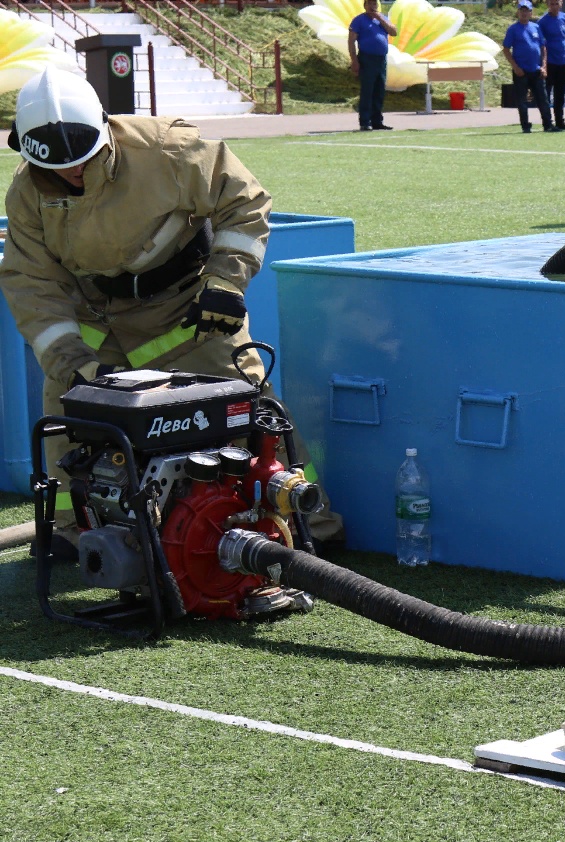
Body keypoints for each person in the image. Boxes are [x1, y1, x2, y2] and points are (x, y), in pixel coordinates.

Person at [0, 70, 341, 554]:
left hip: (188, 308)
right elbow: (30, 282)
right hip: (97, 318)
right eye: (59, 168)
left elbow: (245, 203)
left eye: (83, 158)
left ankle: (308, 521)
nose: (74, 173)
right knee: (69, 411)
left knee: (245, 405)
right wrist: (71, 361)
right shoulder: (30, 191)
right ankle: (76, 531)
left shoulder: (167, 150)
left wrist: (224, 282)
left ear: (103, 126)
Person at [503, 0, 554, 134]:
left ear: (531, 13)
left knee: (543, 99)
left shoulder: (536, 27)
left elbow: (543, 48)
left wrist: (544, 66)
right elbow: (506, 49)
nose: (524, 13)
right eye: (522, 10)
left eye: (527, 11)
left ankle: (548, 124)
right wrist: (515, 67)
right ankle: (525, 126)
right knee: (522, 101)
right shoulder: (513, 29)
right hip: (521, 71)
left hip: (536, 70)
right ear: (518, 12)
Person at [347, 0, 397, 132]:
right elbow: (351, 41)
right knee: (367, 91)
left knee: (379, 91)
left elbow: (394, 32)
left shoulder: (382, 18)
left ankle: (377, 121)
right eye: (369, 4)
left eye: (374, 4)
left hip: (381, 59)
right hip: (366, 58)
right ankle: (365, 121)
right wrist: (354, 60)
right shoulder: (359, 20)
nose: (372, 6)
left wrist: (380, 18)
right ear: (365, 6)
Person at [539, 0, 565, 130]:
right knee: (547, 93)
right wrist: (543, 64)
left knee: (561, 94)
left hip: (563, 61)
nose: (554, 6)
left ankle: (560, 121)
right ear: (548, 4)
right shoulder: (542, 22)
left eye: (556, 3)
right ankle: (548, 122)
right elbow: (541, 44)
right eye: (551, 4)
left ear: (561, 3)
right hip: (550, 62)